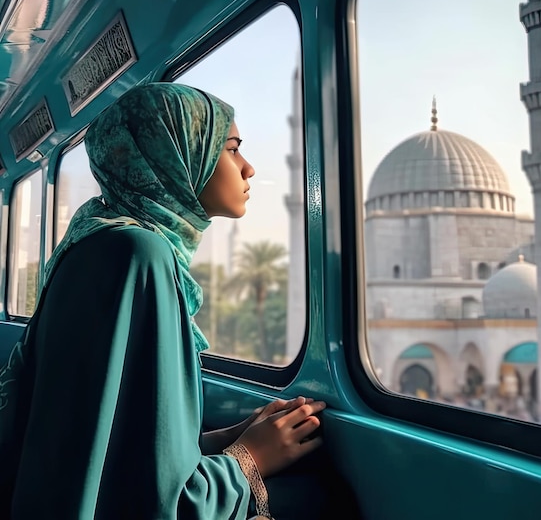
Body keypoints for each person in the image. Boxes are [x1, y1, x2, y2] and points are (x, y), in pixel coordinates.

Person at [0, 82, 327, 519]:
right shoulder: (142, 255)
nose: (248, 169)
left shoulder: (97, 238)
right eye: (230, 149)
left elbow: (122, 443)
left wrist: (237, 433)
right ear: (173, 156)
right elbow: (163, 500)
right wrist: (250, 456)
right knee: (325, 498)